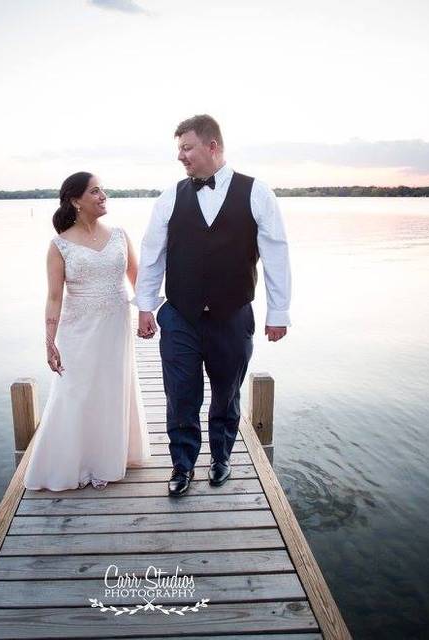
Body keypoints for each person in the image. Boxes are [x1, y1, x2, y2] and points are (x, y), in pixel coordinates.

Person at [135, 115, 292, 496]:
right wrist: (144, 306)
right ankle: (182, 466)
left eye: (187, 148)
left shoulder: (257, 192)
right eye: (179, 150)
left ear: (212, 146)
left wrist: (278, 312)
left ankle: (221, 458)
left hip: (233, 316)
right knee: (180, 395)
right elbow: (152, 254)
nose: (181, 157)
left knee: (226, 394)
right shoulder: (170, 197)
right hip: (180, 316)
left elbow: (276, 254)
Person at [23, 171, 152, 491]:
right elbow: (54, 297)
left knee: (113, 387)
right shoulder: (59, 245)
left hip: (116, 325)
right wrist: (49, 342)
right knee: (76, 392)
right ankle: (71, 463)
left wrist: (147, 313)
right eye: (95, 192)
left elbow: (138, 280)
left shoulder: (120, 235)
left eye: (102, 190)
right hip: (78, 329)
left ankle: (110, 458)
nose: (102, 196)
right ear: (75, 201)